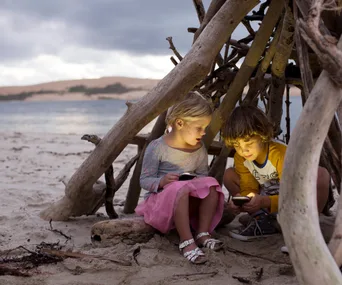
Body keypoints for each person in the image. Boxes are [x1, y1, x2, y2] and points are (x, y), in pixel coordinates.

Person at [135, 93, 225, 264]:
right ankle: (186, 241)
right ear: (179, 123)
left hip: (187, 203)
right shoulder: (158, 147)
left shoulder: (199, 149)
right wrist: (161, 182)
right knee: (179, 188)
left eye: (205, 127)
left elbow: (202, 177)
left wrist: (194, 180)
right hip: (161, 204)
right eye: (199, 128)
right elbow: (145, 180)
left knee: (211, 184)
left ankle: (202, 233)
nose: (203, 133)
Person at [222, 105, 331, 241]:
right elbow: (248, 187)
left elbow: (292, 193)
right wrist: (243, 201)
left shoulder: (279, 154)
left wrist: (264, 201)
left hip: (295, 198)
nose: (244, 150)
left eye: (248, 143)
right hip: (267, 197)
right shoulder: (242, 158)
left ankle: (310, 225)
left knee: (321, 174)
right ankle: (261, 219)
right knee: (229, 175)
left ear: (261, 135)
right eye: (237, 146)